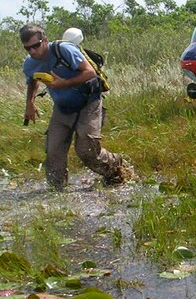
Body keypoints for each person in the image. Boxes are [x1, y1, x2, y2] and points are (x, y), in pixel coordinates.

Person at [20, 23, 125, 190]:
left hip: (88, 102)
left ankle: (117, 167)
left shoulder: (64, 50)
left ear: (45, 41)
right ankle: (57, 192)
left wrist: (65, 83)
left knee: (86, 150)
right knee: (53, 151)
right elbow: (32, 81)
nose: (33, 51)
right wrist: (29, 104)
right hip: (63, 107)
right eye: (28, 49)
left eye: (36, 46)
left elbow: (89, 72)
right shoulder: (30, 63)